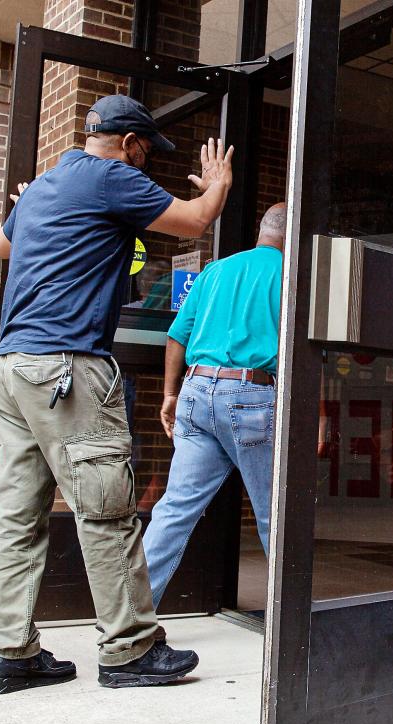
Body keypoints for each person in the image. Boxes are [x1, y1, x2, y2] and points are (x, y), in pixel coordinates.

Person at [0, 95, 234, 694]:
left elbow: (3, 247)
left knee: (18, 515)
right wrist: (219, 184)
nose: (145, 166)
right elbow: (196, 221)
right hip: (66, 366)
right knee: (107, 510)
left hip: (11, 366)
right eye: (146, 152)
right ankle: (129, 650)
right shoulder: (111, 177)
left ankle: (11, 652)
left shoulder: (46, 185)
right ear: (125, 143)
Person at [143, 203, 287, 609]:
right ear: (290, 232)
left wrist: (170, 395)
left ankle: (129, 619)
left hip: (195, 389)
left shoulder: (214, 270)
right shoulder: (290, 276)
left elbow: (177, 336)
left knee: (173, 511)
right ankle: (291, 626)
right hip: (250, 396)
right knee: (273, 515)